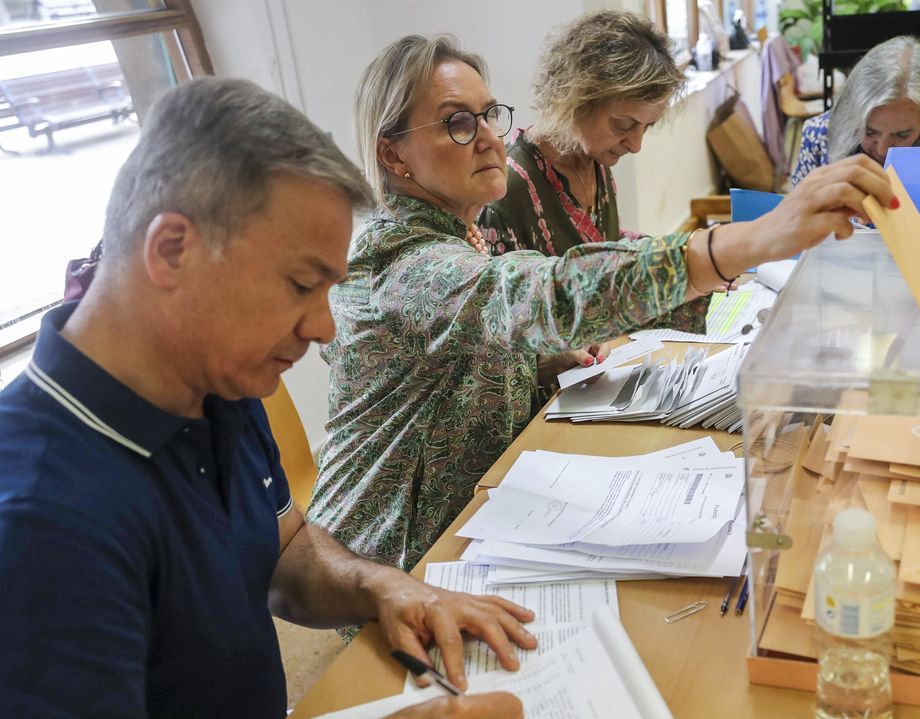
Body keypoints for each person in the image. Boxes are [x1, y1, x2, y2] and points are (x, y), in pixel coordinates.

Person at [0, 77, 535, 719]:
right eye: (301, 285)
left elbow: (283, 552)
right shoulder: (41, 519)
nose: (324, 329)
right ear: (172, 251)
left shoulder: (213, 383)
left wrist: (383, 585)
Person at [308, 34, 895, 585]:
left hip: (478, 510)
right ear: (394, 155)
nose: (489, 136)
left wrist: (541, 361)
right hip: (393, 561)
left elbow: (475, 341)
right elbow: (539, 294)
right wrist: (748, 241)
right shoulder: (402, 262)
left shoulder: (457, 233)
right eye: (459, 123)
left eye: (489, 114)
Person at [478, 10, 683, 256]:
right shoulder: (507, 195)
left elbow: (603, 249)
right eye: (624, 125)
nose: (636, 145)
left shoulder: (595, 160)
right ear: (576, 99)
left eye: (647, 126)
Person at [791, 35, 920, 186]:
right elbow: (797, 218)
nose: (883, 149)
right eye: (870, 132)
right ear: (852, 115)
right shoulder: (820, 135)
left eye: (902, 135)